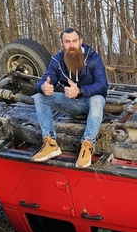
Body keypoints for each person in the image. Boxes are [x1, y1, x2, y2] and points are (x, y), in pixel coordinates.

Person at [31, 27, 108, 167]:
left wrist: (79, 91)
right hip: (69, 102)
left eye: (74, 41)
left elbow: (103, 85)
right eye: (67, 42)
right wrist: (43, 87)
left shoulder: (93, 58)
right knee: (39, 97)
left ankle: (87, 144)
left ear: (81, 41)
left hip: (90, 104)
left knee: (97, 99)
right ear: (62, 43)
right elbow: (46, 79)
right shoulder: (57, 60)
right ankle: (50, 143)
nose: (71, 45)